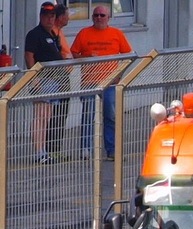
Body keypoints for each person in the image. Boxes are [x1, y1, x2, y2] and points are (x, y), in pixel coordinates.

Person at [70, 6, 133, 161]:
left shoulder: (116, 34)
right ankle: (86, 150)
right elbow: (74, 52)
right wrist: (87, 57)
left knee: (110, 116)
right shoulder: (84, 33)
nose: (98, 18)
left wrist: (119, 75)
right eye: (96, 15)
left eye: (102, 15)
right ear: (92, 17)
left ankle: (111, 149)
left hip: (110, 83)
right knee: (87, 116)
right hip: (89, 82)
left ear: (108, 18)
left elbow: (128, 55)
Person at [24, 2, 65, 164]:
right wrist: (34, 79)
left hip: (54, 80)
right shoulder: (35, 34)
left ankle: (43, 151)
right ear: (41, 16)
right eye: (47, 16)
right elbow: (29, 56)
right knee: (40, 116)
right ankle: (39, 152)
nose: (49, 19)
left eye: (52, 16)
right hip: (42, 80)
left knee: (47, 117)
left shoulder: (53, 34)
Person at [47, 3, 72, 159]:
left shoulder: (58, 32)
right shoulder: (52, 33)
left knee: (61, 113)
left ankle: (55, 148)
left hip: (64, 76)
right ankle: (51, 148)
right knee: (55, 114)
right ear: (60, 17)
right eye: (67, 15)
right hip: (57, 77)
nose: (68, 18)